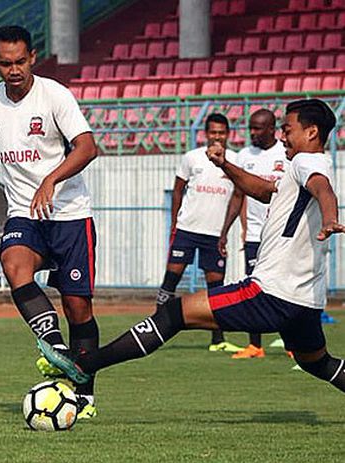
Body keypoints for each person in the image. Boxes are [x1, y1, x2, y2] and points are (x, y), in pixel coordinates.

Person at [39, 99, 345, 398]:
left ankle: (84, 364)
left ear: (312, 132)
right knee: (317, 362)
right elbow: (265, 190)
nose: (282, 136)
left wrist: (331, 217)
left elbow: (322, 188)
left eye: (287, 129)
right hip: (305, 300)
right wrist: (225, 164)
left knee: (173, 313)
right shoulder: (307, 165)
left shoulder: (308, 163)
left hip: (271, 293)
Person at [0, 25, 99, 418]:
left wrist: (52, 179)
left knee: (78, 309)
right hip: (23, 210)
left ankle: (84, 396)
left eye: (20, 61)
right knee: (13, 262)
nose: (14, 70)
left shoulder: (55, 95)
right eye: (5, 63)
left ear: (33, 57)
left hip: (70, 214)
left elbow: (88, 146)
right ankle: (54, 345)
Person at [157, 113, 243, 353]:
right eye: (213, 132)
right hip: (187, 229)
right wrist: (175, 223)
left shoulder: (234, 160)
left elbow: (239, 197)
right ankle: (152, 329)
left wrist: (227, 231)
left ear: (228, 134)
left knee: (216, 288)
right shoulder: (191, 158)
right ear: (205, 134)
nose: (217, 136)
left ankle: (218, 340)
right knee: (171, 279)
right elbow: (177, 191)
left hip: (215, 234)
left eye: (221, 132)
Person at [218, 109, 288, 359]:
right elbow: (238, 195)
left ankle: (291, 344)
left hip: (282, 234)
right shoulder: (246, 155)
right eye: (251, 128)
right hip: (255, 235)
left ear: (272, 129)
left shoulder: (286, 153)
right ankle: (255, 346)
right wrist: (224, 232)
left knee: (285, 286)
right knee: (253, 286)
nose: (254, 133)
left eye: (258, 128)